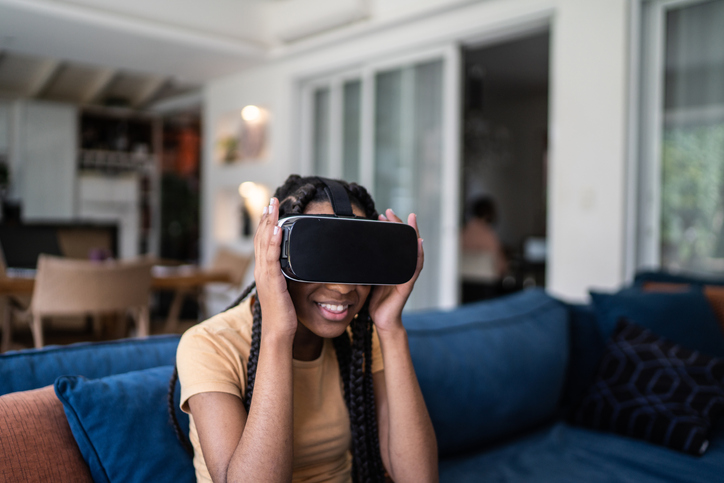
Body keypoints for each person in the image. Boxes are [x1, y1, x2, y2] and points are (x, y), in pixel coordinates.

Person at [169, 175, 438, 483]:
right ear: (273, 255)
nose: (343, 287)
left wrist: (391, 328)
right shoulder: (209, 345)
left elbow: (419, 479)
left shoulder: (362, 338)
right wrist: (277, 333)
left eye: (358, 261)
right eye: (320, 257)